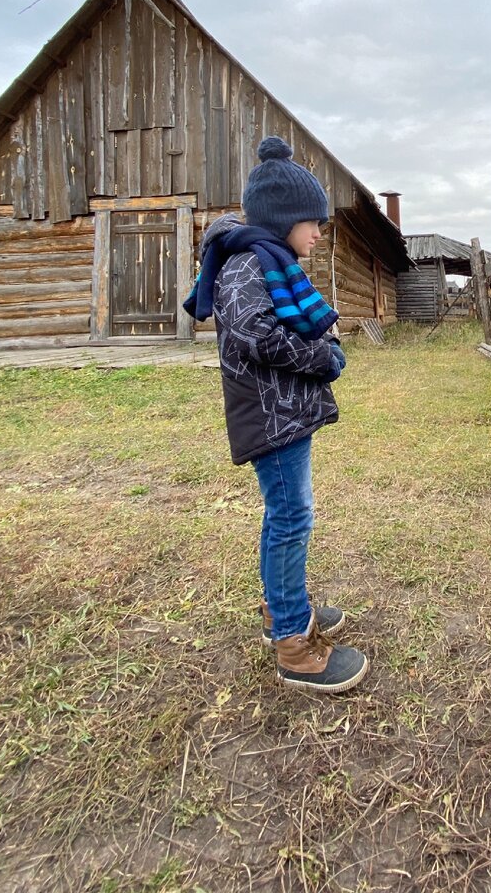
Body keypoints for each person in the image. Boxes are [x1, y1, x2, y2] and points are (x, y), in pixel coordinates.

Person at [184, 136, 368, 694]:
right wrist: (323, 356)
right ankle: (294, 645)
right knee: (291, 518)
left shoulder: (268, 261)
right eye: (312, 222)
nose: (318, 232)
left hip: (282, 412)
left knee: (285, 516)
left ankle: (281, 607)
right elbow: (254, 332)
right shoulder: (246, 265)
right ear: (284, 219)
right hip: (271, 416)